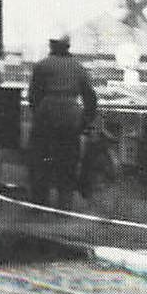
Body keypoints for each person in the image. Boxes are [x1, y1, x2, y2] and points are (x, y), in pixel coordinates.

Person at [27, 33, 97, 207]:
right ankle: (64, 205)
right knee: (68, 163)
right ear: (68, 46)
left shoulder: (42, 66)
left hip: (46, 116)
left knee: (40, 160)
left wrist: (39, 113)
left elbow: (33, 96)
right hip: (71, 119)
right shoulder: (78, 67)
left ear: (51, 45)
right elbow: (90, 98)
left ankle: (39, 203)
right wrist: (85, 121)